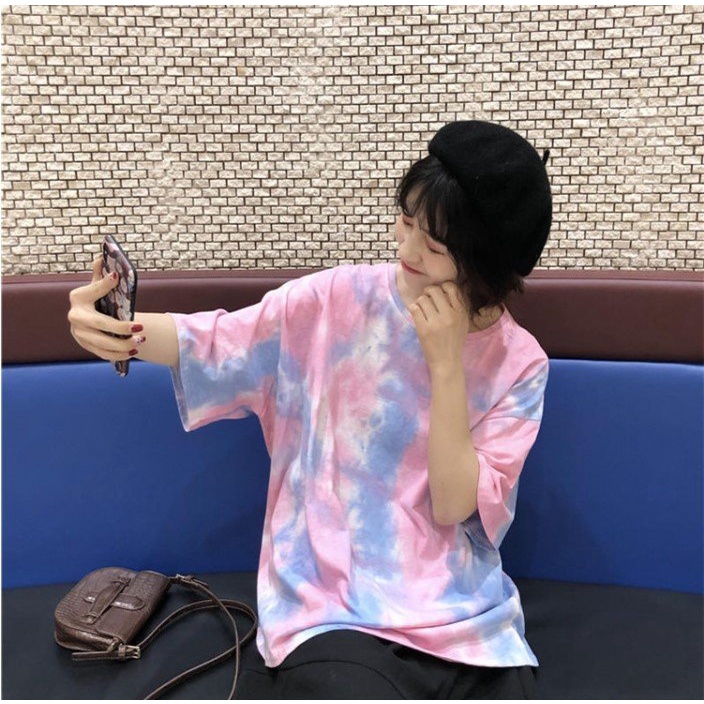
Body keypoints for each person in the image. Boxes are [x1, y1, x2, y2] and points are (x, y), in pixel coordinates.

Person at [67, 120, 552, 699]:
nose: (406, 250)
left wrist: (446, 364)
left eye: (435, 246)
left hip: (465, 617)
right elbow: (222, 340)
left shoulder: (520, 363)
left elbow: (453, 506)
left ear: (484, 263)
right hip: (335, 605)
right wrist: (120, 332)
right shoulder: (335, 300)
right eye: (405, 221)